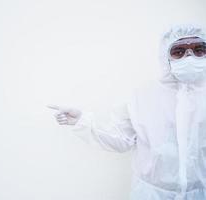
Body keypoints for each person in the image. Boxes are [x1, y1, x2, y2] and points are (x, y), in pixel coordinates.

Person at [47, 24, 206, 200]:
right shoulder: (145, 95)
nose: (189, 57)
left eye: (199, 50)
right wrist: (82, 120)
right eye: (179, 51)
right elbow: (121, 138)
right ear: (165, 56)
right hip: (152, 195)